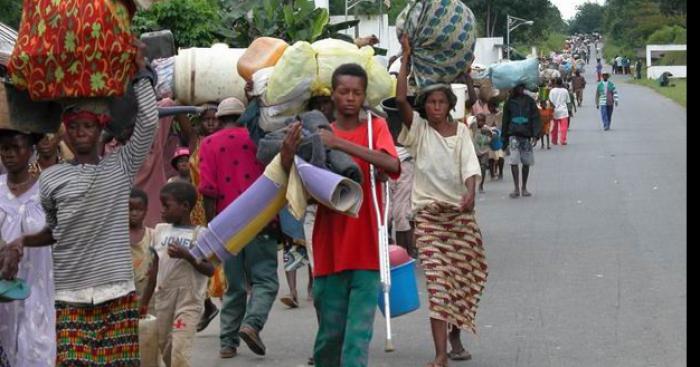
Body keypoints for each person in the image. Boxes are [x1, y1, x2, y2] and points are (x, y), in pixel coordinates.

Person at [2, 43, 158, 365]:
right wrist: (22, 242)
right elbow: (55, 231)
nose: (80, 133)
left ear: (101, 130)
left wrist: (141, 73)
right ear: (65, 134)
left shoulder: (121, 166)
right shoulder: (52, 178)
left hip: (115, 290)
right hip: (70, 295)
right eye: (73, 127)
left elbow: (149, 124)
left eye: (87, 126)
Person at [281, 63, 400, 367]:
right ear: (332, 95)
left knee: (357, 340)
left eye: (356, 93)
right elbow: (297, 184)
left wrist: (340, 144)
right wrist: (287, 154)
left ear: (364, 96)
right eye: (344, 91)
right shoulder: (317, 134)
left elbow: (393, 165)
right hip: (329, 247)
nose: (350, 98)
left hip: (367, 250)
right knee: (329, 339)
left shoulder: (376, 129)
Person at [395, 35, 487, 367]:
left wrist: (471, 194)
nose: (435, 108)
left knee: (463, 280)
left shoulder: (461, 132)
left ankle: (456, 334)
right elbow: (400, 98)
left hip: (459, 217)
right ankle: (440, 355)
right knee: (437, 284)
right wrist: (406, 58)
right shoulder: (419, 131)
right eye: (430, 103)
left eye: (440, 103)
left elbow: (469, 168)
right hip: (430, 219)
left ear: (449, 105)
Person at [198, 97, 280, 359]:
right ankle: (252, 324)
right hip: (260, 220)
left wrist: (213, 228)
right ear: (242, 116)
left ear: (220, 119)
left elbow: (208, 189)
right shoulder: (257, 138)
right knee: (265, 279)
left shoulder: (208, 143)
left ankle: (227, 343)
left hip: (227, 225)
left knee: (234, 286)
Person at [0, 129, 56, 367]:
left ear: (32, 150)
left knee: (37, 350)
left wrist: (22, 243)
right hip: (2, 291)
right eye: (4, 149)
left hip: (39, 289)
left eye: (16, 147)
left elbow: (58, 231)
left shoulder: (47, 190)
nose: (9, 154)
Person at [152, 182, 214, 367]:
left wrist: (188, 256)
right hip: (163, 298)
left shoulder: (200, 234)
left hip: (189, 301)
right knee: (165, 347)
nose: (162, 210)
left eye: (167, 206)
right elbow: (154, 265)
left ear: (185, 206)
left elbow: (210, 269)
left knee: (180, 349)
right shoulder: (160, 230)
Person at [502, 83, 541, 198]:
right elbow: (505, 120)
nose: (520, 89)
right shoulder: (509, 102)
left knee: (526, 162)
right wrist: (504, 138)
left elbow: (535, 117)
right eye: (517, 87)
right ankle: (516, 188)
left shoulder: (529, 101)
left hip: (526, 135)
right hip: (513, 135)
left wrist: (535, 134)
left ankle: (524, 187)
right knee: (514, 161)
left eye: (521, 87)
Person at [129, 188, 157, 316]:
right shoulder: (117, 238)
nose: (134, 213)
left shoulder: (153, 236)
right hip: (124, 300)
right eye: (129, 209)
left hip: (150, 300)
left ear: (146, 211)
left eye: (138, 210)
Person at [278, 206, 313, 308]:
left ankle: (312, 285)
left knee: (311, 245)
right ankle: (293, 292)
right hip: (287, 203)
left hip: (308, 201)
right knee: (289, 245)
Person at [472, 114, 492, 193]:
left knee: (483, 167)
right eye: (478, 121)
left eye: (482, 121)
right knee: (474, 170)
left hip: (484, 152)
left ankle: (481, 185)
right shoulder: (474, 128)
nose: (480, 122)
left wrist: (488, 133)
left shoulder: (487, 129)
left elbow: (491, 138)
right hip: (475, 152)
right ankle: (473, 185)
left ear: (484, 121)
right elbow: (470, 121)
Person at [549, 78, 571, 146]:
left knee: (554, 127)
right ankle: (563, 140)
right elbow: (568, 101)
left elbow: (550, 101)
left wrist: (552, 108)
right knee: (564, 127)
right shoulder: (565, 91)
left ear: (555, 83)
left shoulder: (552, 91)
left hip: (554, 111)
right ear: (562, 83)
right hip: (563, 111)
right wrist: (569, 111)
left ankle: (554, 140)